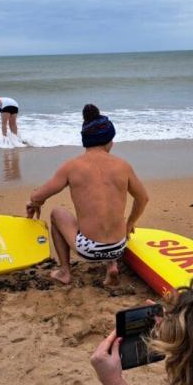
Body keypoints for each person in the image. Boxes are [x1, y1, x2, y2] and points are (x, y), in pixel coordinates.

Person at [26, 104, 149, 286]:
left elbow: (38, 196)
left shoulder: (72, 166)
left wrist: (34, 203)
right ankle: (111, 266)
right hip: (119, 246)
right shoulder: (123, 166)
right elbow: (143, 198)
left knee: (57, 214)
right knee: (109, 213)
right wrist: (130, 224)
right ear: (109, 141)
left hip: (89, 249)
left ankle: (64, 272)